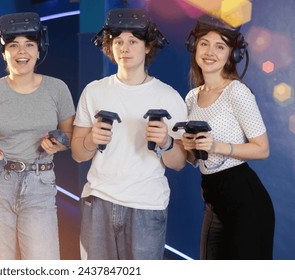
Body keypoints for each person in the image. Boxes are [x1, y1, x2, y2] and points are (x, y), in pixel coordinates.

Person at [71, 8, 187, 260]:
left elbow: (179, 163)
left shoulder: (168, 97)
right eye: (118, 41)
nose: (125, 48)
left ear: (147, 47)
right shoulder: (94, 92)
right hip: (98, 201)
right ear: (110, 46)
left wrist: (166, 142)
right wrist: (91, 140)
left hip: (146, 205)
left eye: (133, 41)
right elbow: (78, 154)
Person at [0, 12, 75, 260]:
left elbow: (69, 134)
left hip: (40, 184)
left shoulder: (57, 89)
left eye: (29, 44)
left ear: (39, 50)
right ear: (3, 51)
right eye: (13, 45)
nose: (22, 52)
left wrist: (57, 144)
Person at [181, 14, 275, 259]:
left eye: (220, 46)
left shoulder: (237, 92)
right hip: (213, 200)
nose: (210, 52)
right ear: (194, 47)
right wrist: (188, 146)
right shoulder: (192, 97)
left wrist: (218, 145)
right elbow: (195, 159)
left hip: (246, 202)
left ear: (231, 55)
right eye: (204, 43)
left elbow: (262, 149)